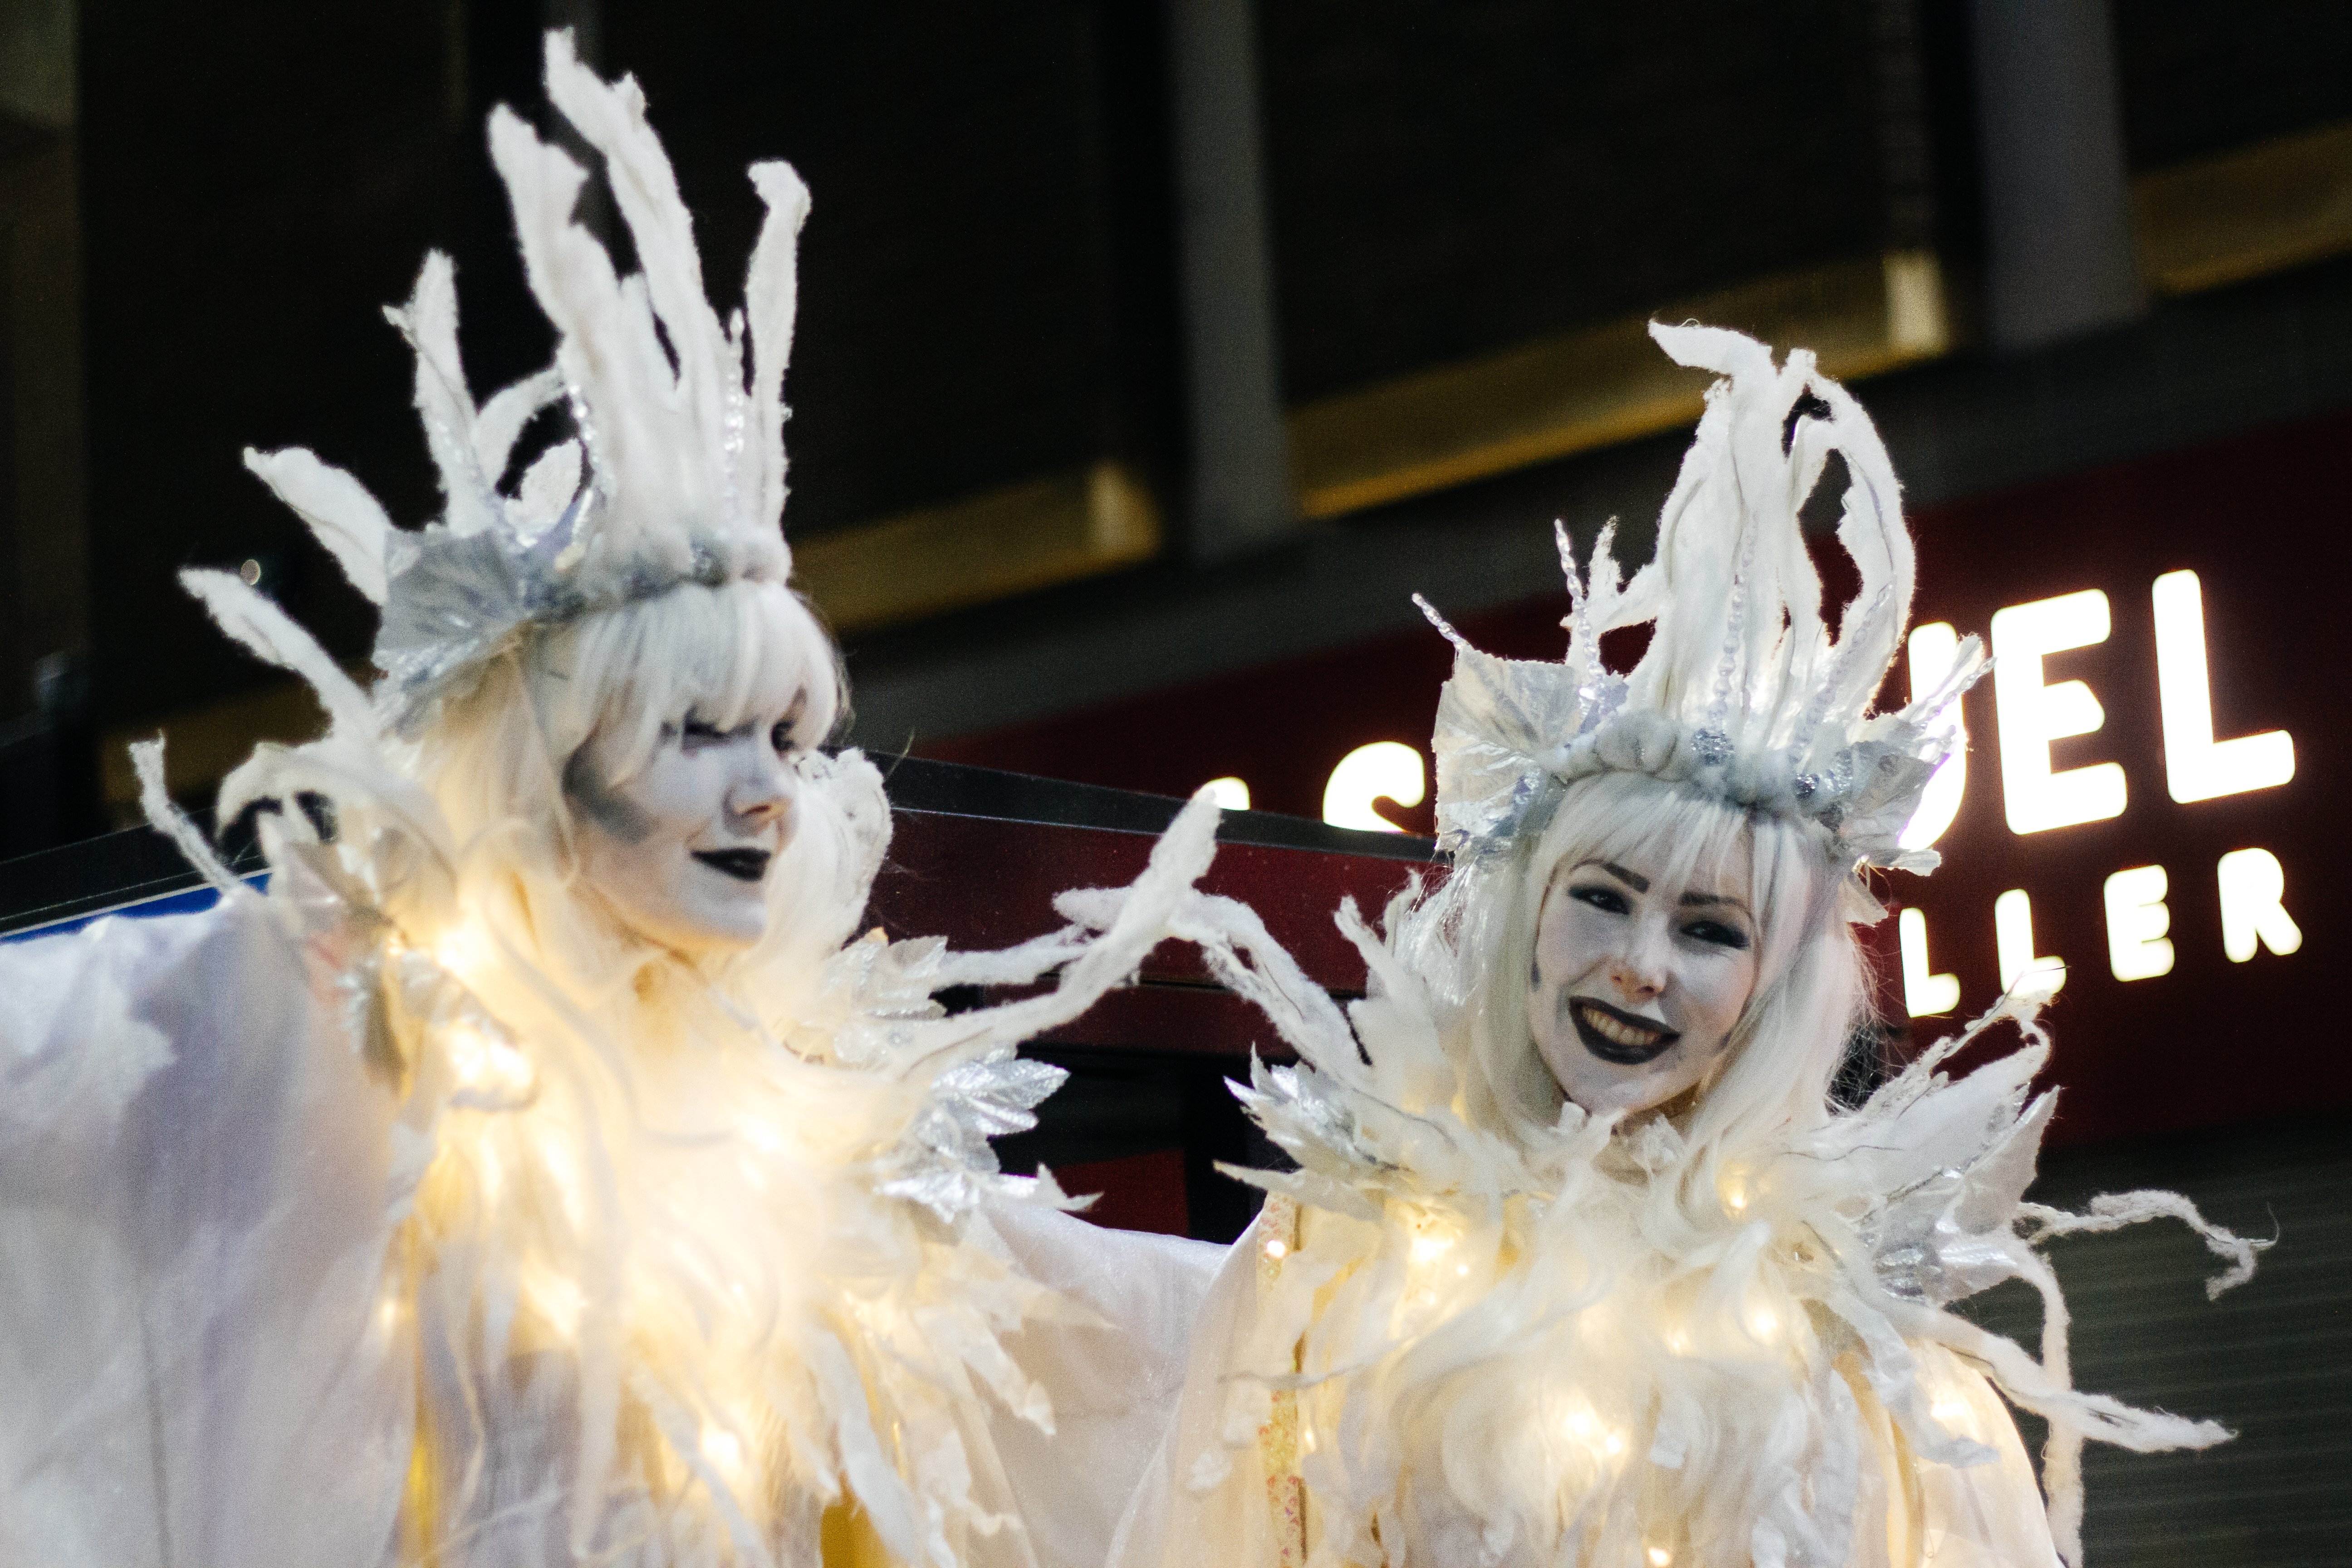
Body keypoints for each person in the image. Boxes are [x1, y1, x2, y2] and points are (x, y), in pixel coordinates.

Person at [0, 34, 1220, 1568]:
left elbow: (1091, 1329)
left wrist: (1346, 1295)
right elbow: (72, 1070)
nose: (767, 794)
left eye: (786, 736)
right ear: (545, 770)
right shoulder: (367, 1034)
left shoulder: (802, 1099)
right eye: (700, 733)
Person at [1114, 324, 2263, 1568]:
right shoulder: (1333, 1262)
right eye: (1603, 898)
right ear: (1527, 921)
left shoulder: (1845, 1321)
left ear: (1772, 990)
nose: (1641, 966)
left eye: (1710, 930)